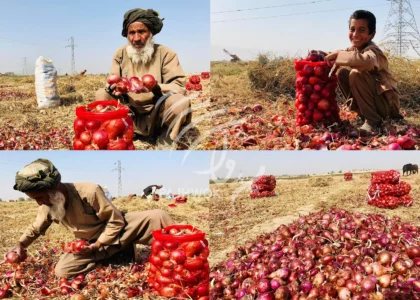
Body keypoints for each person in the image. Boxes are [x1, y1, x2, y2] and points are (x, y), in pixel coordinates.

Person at [5, 159, 174, 278]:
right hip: (89, 244)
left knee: (158, 216)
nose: (39, 203)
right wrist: (20, 245)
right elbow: (35, 228)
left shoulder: (88, 190)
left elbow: (116, 221)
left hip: (120, 230)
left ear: (54, 188)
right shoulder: (47, 206)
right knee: (62, 271)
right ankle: (116, 254)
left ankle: (173, 257)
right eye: (35, 199)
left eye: (40, 197)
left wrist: (100, 243)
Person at [95, 8, 192, 147]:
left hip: (157, 111)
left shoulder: (166, 54)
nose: (136, 38)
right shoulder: (120, 54)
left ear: (151, 33)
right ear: (127, 35)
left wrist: (156, 87)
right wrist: (114, 87)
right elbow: (112, 80)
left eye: (141, 31)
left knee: (180, 102)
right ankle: (120, 130)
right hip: (128, 111)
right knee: (101, 94)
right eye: (131, 33)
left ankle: (166, 134)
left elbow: (179, 86)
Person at [324, 10, 402, 135]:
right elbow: (346, 54)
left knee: (356, 73)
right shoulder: (354, 49)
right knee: (342, 73)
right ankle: (362, 113)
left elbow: (367, 62)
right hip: (375, 102)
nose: (355, 34)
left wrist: (339, 55)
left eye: (361, 30)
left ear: (372, 34)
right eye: (352, 29)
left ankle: (373, 121)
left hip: (387, 107)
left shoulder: (374, 51)